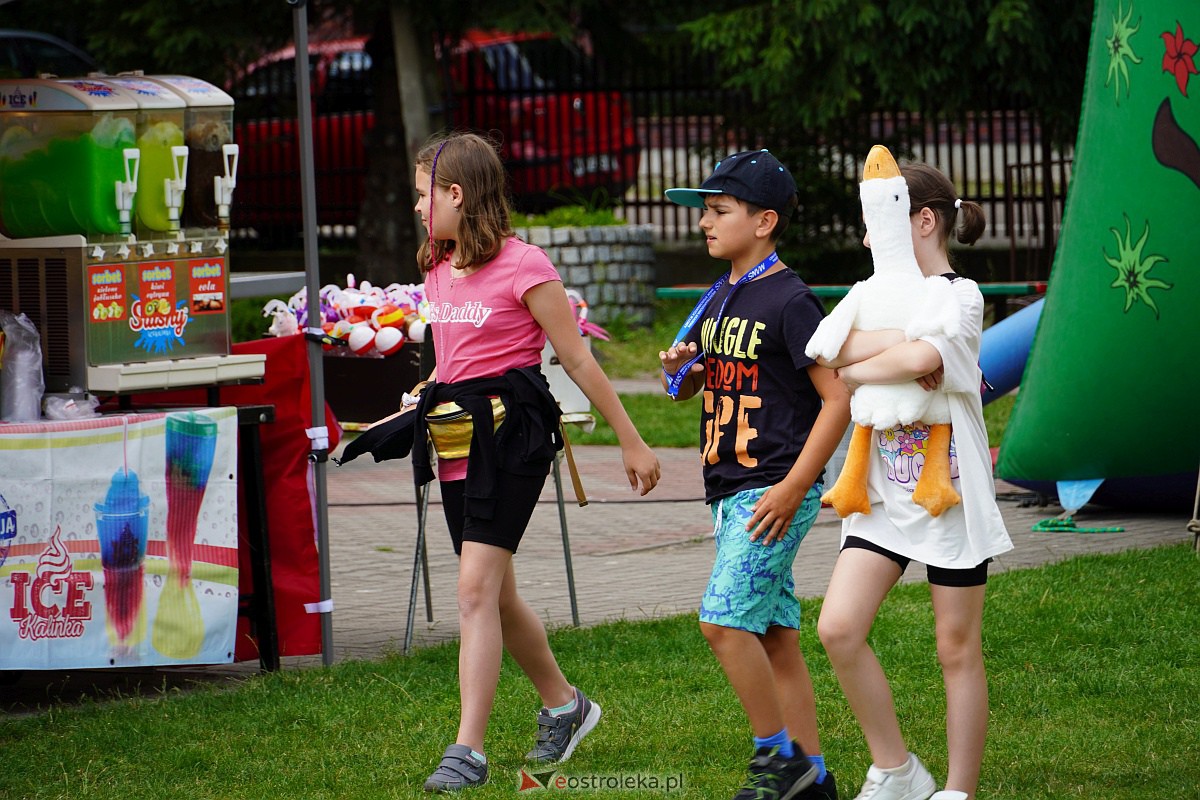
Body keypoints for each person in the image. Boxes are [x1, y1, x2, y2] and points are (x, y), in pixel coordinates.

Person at [409, 132, 661, 792]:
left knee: (473, 591)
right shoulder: (438, 268)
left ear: (457, 195)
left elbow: (576, 359)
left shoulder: (527, 266)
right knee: (495, 591)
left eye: (423, 194)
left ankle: (468, 751)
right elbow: (454, 354)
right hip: (458, 439)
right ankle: (565, 705)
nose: (417, 207)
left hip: (514, 437)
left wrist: (631, 439)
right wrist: (423, 390)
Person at [812, 163, 1014, 800]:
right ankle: (897, 770)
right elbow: (830, 354)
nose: (869, 241)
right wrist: (889, 350)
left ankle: (958, 790)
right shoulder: (873, 294)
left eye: (879, 225)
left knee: (956, 648)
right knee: (838, 628)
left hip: (949, 504)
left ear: (923, 221)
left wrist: (874, 358)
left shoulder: (961, 296)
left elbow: (921, 359)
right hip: (879, 500)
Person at [660, 150, 851, 800]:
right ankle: (815, 778)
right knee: (772, 636)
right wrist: (686, 369)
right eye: (705, 212)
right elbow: (714, 383)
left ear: (765, 220)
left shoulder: (792, 299)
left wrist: (798, 485)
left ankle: (779, 760)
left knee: (721, 623)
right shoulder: (720, 297)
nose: (705, 224)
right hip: (730, 488)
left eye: (719, 211)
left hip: (772, 488)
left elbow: (838, 398)